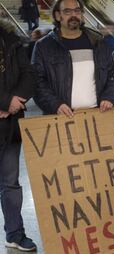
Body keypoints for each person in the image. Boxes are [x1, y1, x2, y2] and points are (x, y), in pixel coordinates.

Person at [32, 0, 114, 116]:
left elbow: (112, 75)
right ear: (58, 15)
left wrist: (109, 96)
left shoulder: (98, 43)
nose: (73, 15)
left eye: (77, 11)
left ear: (81, 14)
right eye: (67, 11)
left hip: (97, 114)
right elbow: (37, 81)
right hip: (61, 117)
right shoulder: (44, 46)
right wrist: (55, 105)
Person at [0, 18, 37, 252]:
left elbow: (29, 75)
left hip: (10, 125)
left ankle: (14, 233)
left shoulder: (11, 39)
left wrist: (15, 102)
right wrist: (4, 102)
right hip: (7, 110)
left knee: (11, 184)